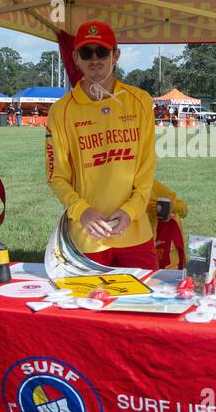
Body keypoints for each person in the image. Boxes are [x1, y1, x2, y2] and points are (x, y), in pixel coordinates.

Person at [45, 20, 157, 269]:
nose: (94, 59)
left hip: (135, 232)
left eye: (102, 51)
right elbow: (56, 176)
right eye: (87, 52)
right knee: (87, 306)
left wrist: (131, 211)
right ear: (75, 58)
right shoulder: (61, 111)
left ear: (115, 55)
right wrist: (82, 211)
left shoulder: (140, 102)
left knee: (145, 306)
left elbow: (146, 170)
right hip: (87, 237)